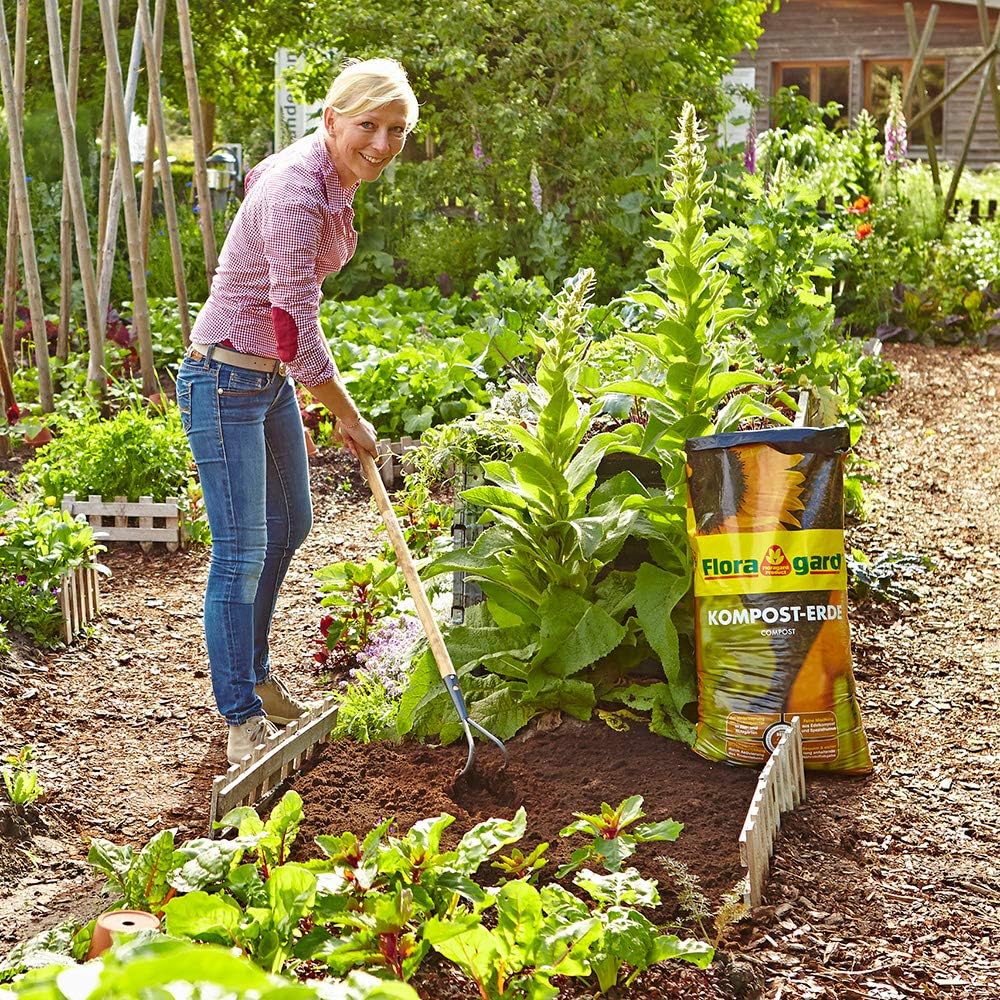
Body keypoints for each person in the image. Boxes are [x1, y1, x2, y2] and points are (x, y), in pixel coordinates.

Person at [175, 58, 419, 765]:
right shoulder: (296, 193)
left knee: (292, 522)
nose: (381, 144)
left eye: (396, 131)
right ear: (333, 119)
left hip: (264, 378)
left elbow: (288, 316)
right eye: (368, 126)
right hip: (223, 378)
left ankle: (252, 673)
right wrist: (347, 413)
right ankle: (240, 716)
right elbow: (292, 324)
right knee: (241, 551)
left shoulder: (325, 175)